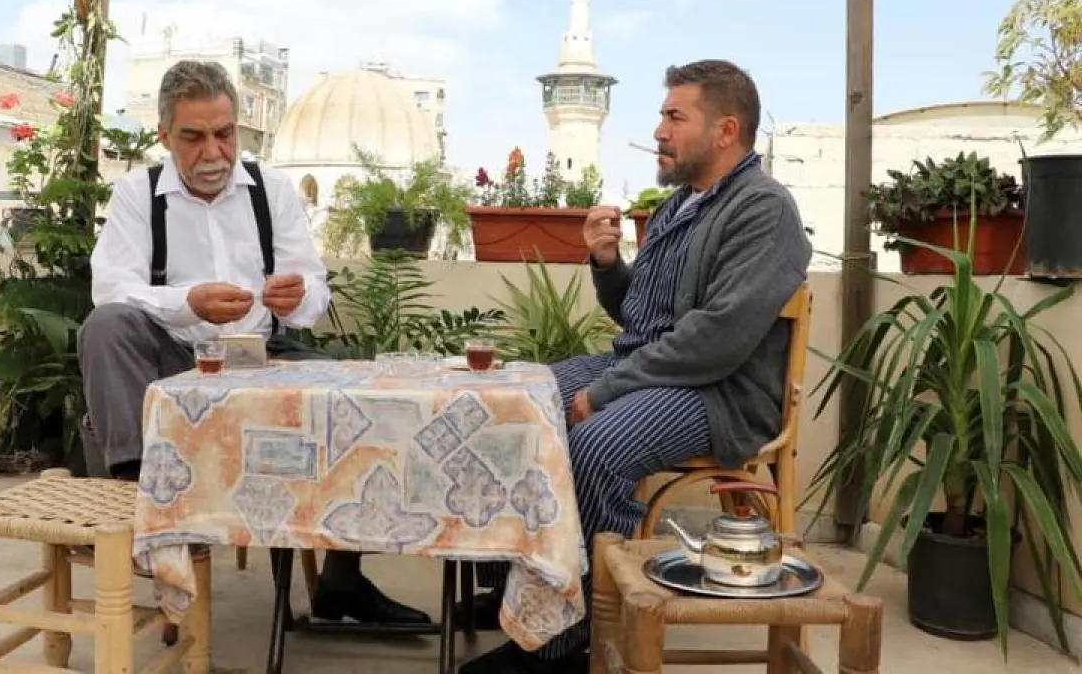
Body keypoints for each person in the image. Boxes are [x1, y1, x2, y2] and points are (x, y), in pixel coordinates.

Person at [460, 59, 813, 673]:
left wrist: (605, 392)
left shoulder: (763, 209)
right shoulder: (679, 206)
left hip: (719, 393)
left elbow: (715, 340)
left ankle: (567, 644)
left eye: (675, 116)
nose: (659, 130)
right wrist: (607, 264)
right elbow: (641, 318)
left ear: (726, 131)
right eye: (662, 115)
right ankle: (520, 592)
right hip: (650, 369)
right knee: (508, 404)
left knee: (595, 446)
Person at [79, 59, 430, 627]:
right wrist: (189, 302)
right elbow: (112, 288)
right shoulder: (137, 194)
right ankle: (146, 504)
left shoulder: (273, 191)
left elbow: (313, 288)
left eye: (224, 134)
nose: (213, 152)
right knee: (106, 327)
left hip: (263, 355)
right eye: (193, 137)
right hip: (173, 358)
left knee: (362, 398)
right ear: (165, 136)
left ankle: (342, 580)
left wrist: (298, 297)